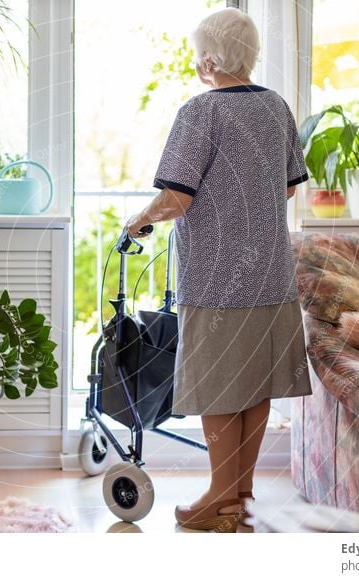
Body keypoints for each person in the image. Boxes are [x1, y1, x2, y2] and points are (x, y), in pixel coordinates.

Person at [125, 7, 313, 532]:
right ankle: (240, 495)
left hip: (216, 278)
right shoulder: (275, 107)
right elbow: (290, 184)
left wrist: (138, 221)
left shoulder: (201, 111)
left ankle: (218, 496)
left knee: (216, 387)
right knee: (254, 387)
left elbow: (176, 197)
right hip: (272, 275)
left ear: (210, 58)